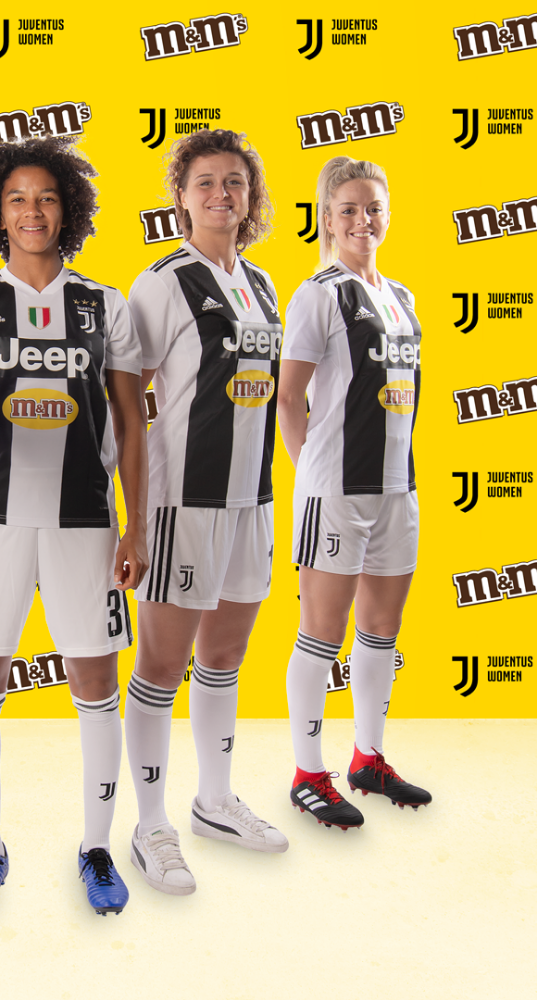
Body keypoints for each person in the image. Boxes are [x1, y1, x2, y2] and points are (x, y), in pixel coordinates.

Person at [0, 136, 148, 918]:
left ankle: (96, 846)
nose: (33, 211)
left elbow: (131, 422)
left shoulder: (103, 303)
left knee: (96, 683)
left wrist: (137, 525)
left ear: (69, 210)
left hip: (84, 518)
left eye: (48, 198)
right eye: (18, 198)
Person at [125, 129, 288, 897]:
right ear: (182, 198)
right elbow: (125, 395)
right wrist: (130, 512)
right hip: (181, 502)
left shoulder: (263, 284)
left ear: (249, 196)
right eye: (206, 183)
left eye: (235, 182)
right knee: (162, 665)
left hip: (251, 498)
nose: (223, 194)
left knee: (225, 656)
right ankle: (150, 824)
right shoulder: (162, 282)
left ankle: (215, 802)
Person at [278, 155, 431, 830]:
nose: (362, 220)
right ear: (326, 218)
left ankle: (369, 759)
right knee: (321, 634)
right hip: (337, 489)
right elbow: (288, 398)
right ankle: (308, 773)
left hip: (398, 486)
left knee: (381, 631)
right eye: (348, 209)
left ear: (387, 213)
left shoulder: (402, 297)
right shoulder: (318, 294)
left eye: (373, 207)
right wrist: (312, 475)